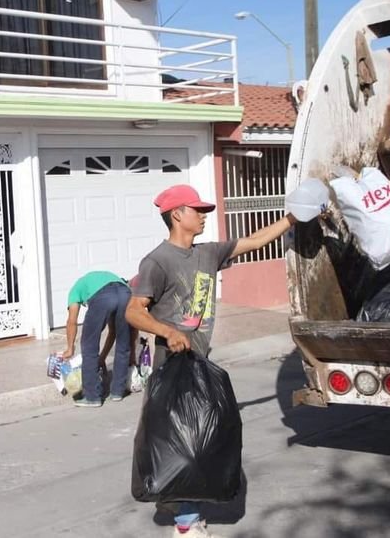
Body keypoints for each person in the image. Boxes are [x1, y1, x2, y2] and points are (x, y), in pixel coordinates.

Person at [125, 184, 296, 538]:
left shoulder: (207, 253)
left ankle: (177, 502)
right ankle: (187, 524)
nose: (204, 216)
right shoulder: (157, 261)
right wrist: (167, 331)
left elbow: (254, 241)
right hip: (171, 365)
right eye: (197, 210)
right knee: (190, 440)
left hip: (198, 360)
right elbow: (134, 311)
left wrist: (292, 219)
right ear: (177, 215)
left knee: (189, 438)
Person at [61, 271, 134, 407]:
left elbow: (72, 321)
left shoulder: (75, 290)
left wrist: (70, 348)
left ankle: (92, 396)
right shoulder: (103, 279)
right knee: (123, 342)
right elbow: (113, 332)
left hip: (103, 296)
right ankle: (117, 392)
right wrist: (102, 357)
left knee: (89, 345)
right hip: (125, 293)